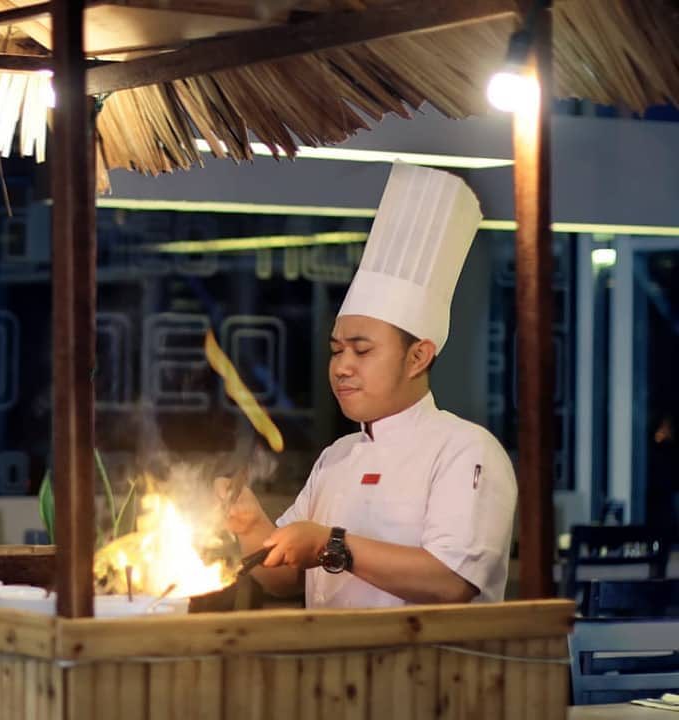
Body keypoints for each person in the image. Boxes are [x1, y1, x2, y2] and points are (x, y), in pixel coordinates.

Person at [218, 163, 517, 608]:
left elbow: (451, 583)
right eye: (337, 350)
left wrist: (330, 544)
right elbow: (282, 579)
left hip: (433, 672)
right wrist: (251, 526)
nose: (341, 366)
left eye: (362, 350)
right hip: (332, 672)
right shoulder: (336, 457)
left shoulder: (466, 450)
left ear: (418, 356)